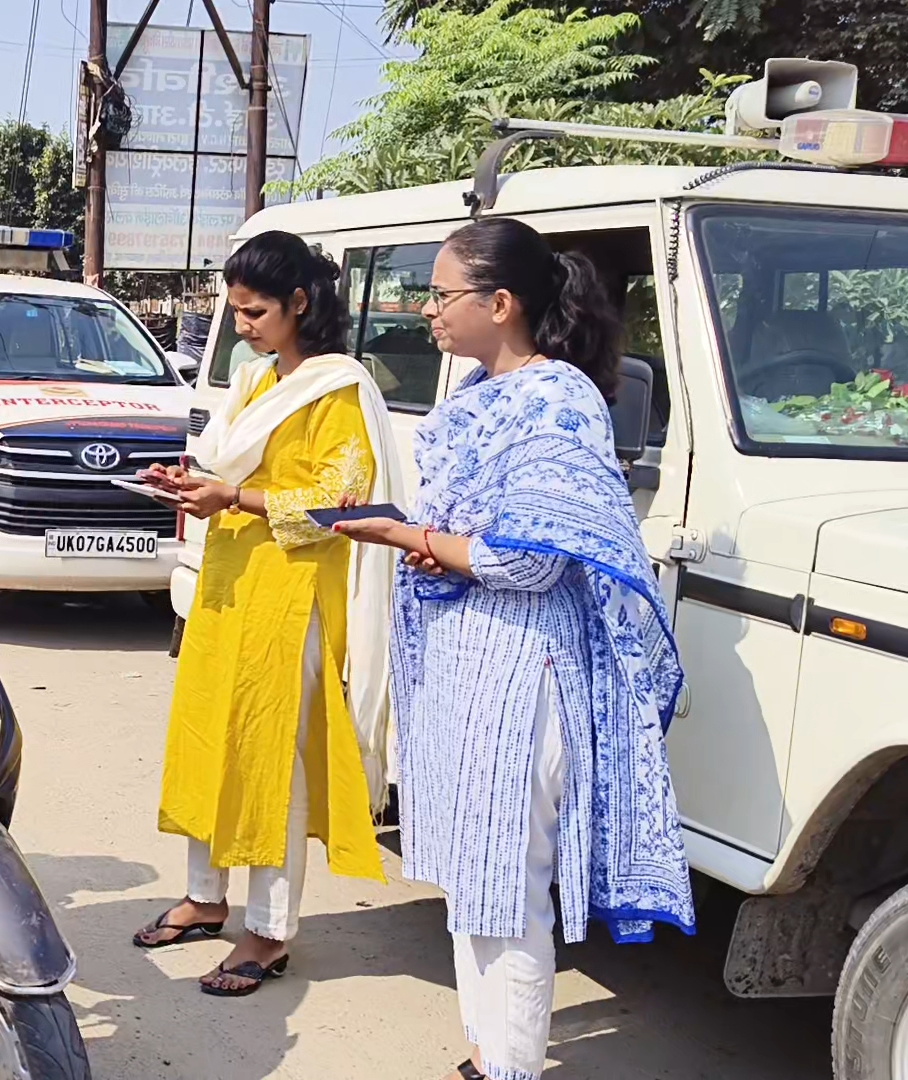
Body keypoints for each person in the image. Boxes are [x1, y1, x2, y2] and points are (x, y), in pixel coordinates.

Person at [333, 217, 694, 1080]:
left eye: (441, 294)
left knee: (510, 886)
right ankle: (485, 1048)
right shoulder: (475, 395)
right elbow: (471, 534)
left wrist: (411, 537)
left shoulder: (555, 400)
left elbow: (531, 561)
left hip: (522, 665)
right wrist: (426, 540)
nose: (427, 310)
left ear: (500, 304)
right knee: (473, 877)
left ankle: (512, 1065)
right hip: (467, 661)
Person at [129, 232, 405, 996]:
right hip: (229, 585)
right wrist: (186, 482)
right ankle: (205, 896)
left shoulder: (337, 388)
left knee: (271, 757)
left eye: (254, 312)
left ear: (300, 303)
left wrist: (235, 496)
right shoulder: (254, 380)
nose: (242, 325)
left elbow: (342, 505)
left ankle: (269, 929)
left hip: (290, 597)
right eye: (237, 310)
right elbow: (223, 467)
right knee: (210, 740)